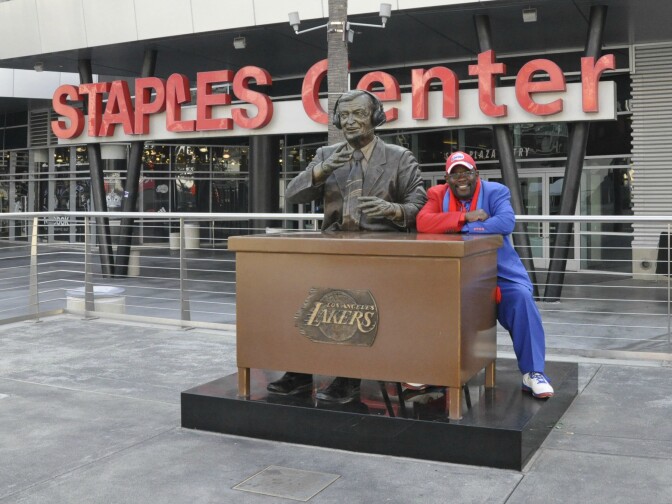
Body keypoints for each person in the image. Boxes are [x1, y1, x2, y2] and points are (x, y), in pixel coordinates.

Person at [266, 89, 427, 403]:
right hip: (334, 251)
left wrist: (392, 210)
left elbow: (417, 204)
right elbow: (292, 196)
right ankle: (300, 372)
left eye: (359, 114)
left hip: (379, 253)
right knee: (301, 297)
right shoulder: (327, 155)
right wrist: (321, 170)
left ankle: (348, 377)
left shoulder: (398, 157)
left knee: (350, 300)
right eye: (345, 115)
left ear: (375, 117)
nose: (351, 121)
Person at [416, 151, 554, 399]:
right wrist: (464, 217)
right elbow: (424, 222)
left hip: (500, 272)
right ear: (447, 179)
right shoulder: (437, 194)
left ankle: (533, 372)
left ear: (476, 174)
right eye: (454, 174)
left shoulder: (496, 191)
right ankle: (433, 369)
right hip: (458, 273)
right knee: (431, 303)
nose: (461, 179)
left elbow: (505, 223)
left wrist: (461, 228)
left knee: (522, 300)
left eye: (466, 172)